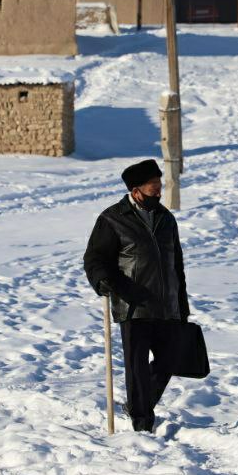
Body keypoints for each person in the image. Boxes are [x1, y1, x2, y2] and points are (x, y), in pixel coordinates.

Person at [83, 159, 190, 432]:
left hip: (166, 305)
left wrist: (182, 304)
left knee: (170, 360)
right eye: (153, 187)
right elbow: (95, 258)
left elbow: (176, 265)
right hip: (132, 304)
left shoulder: (166, 219)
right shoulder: (112, 219)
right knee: (137, 367)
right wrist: (104, 281)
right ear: (135, 191)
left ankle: (138, 405)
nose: (158, 192)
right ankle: (142, 424)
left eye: (159, 186)